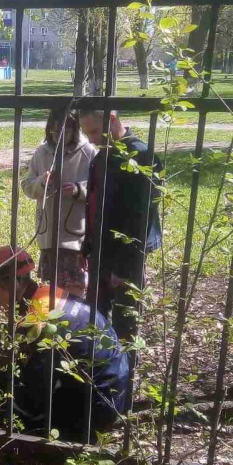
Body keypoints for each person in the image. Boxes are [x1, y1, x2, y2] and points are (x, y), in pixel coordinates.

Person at [0, 246, 129, 441]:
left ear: (12, 283)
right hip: (115, 391)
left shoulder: (38, 323)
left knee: (7, 401)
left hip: (95, 411)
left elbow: (34, 395)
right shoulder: (50, 295)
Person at [78, 110, 163, 345]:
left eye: (95, 131)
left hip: (127, 256)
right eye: (87, 134)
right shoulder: (102, 157)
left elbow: (141, 219)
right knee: (95, 315)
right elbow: (95, 206)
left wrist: (123, 269)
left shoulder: (141, 156)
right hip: (101, 250)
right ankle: (99, 362)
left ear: (112, 118)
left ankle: (124, 365)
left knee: (125, 321)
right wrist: (87, 246)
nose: (91, 140)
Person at [21, 106, 97, 297]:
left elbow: (99, 188)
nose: (58, 137)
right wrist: (42, 182)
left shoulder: (88, 152)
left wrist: (78, 190)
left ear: (75, 129)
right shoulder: (42, 152)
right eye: (53, 132)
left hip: (75, 237)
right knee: (52, 290)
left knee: (75, 289)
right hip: (48, 235)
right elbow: (27, 186)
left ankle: (74, 313)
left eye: (65, 132)